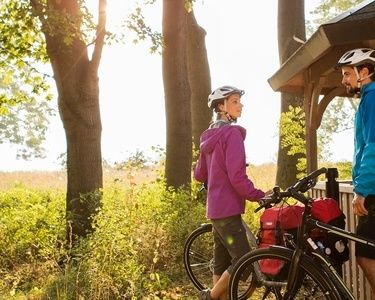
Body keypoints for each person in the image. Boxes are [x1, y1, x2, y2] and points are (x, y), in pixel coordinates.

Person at [194, 85, 267, 300]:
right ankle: (209, 296)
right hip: (228, 210)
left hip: (215, 210)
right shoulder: (232, 135)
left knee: (222, 261)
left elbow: (199, 174)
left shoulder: (208, 137)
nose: (240, 105)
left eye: (239, 101)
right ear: (221, 106)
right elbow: (237, 177)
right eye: (235, 101)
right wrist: (259, 195)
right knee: (245, 262)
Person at [336, 48, 375, 294]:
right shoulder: (368, 100)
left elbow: (373, 147)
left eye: (347, 73)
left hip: (373, 193)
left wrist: (361, 190)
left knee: (366, 255)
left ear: (364, 72)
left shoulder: (372, 99)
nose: (343, 80)